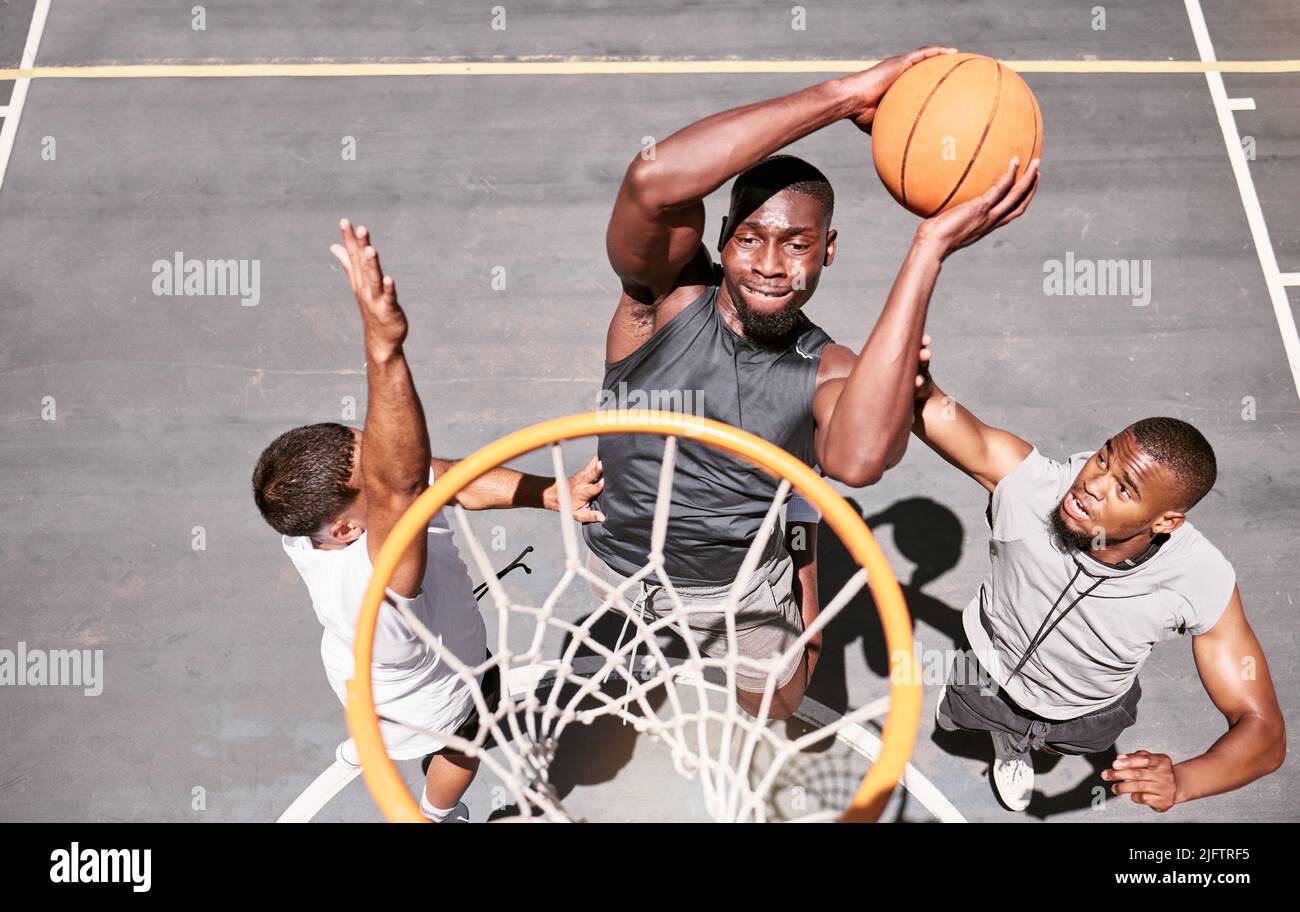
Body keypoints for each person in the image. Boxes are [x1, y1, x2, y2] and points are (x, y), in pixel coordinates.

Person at [584, 46, 1039, 719]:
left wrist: (928, 249)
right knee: (632, 675)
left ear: (827, 249)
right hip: (618, 562)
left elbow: (854, 462)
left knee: (775, 703)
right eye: (751, 239)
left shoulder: (831, 367)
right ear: (724, 239)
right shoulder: (663, 300)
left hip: (739, 587)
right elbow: (653, 179)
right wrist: (844, 95)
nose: (771, 264)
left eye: (797, 243)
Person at [252, 220, 603, 822]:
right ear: (346, 529)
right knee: (466, 742)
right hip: (436, 693)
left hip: (365, 671)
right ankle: (440, 815)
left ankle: (377, 741)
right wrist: (383, 344)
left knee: (383, 714)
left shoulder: (308, 516)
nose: (392, 459)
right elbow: (405, 481)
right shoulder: (376, 575)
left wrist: (549, 494)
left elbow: (439, 477)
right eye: (377, 474)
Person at [912, 357, 1286, 812]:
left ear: (1166, 521)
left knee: (1061, 745)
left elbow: (1263, 731)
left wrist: (1185, 780)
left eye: (1124, 490)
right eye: (1104, 457)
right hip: (990, 668)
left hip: (1087, 713)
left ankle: (1028, 746)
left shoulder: (1200, 580)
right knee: (960, 713)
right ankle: (1006, 741)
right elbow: (932, 412)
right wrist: (916, 385)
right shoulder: (1030, 487)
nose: (1091, 484)